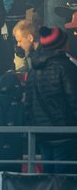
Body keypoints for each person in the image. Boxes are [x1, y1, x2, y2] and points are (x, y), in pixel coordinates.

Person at [23, 26, 77, 174]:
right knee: (65, 180)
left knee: (48, 178)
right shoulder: (66, 67)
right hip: (66, 133)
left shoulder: (33, 70)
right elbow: (74, 100)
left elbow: (28, 103)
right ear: (61, 44)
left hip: (42, 133)